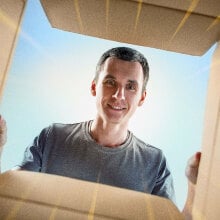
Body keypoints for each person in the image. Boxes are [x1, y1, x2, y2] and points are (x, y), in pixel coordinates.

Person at [0, 47, 200, 218]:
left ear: (141, 98)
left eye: (130, 86)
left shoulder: (153, 162)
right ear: (94, 86)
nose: (118, 95)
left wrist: (194, 186)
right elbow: (8, 197)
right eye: (110, 82)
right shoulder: (52, 137)